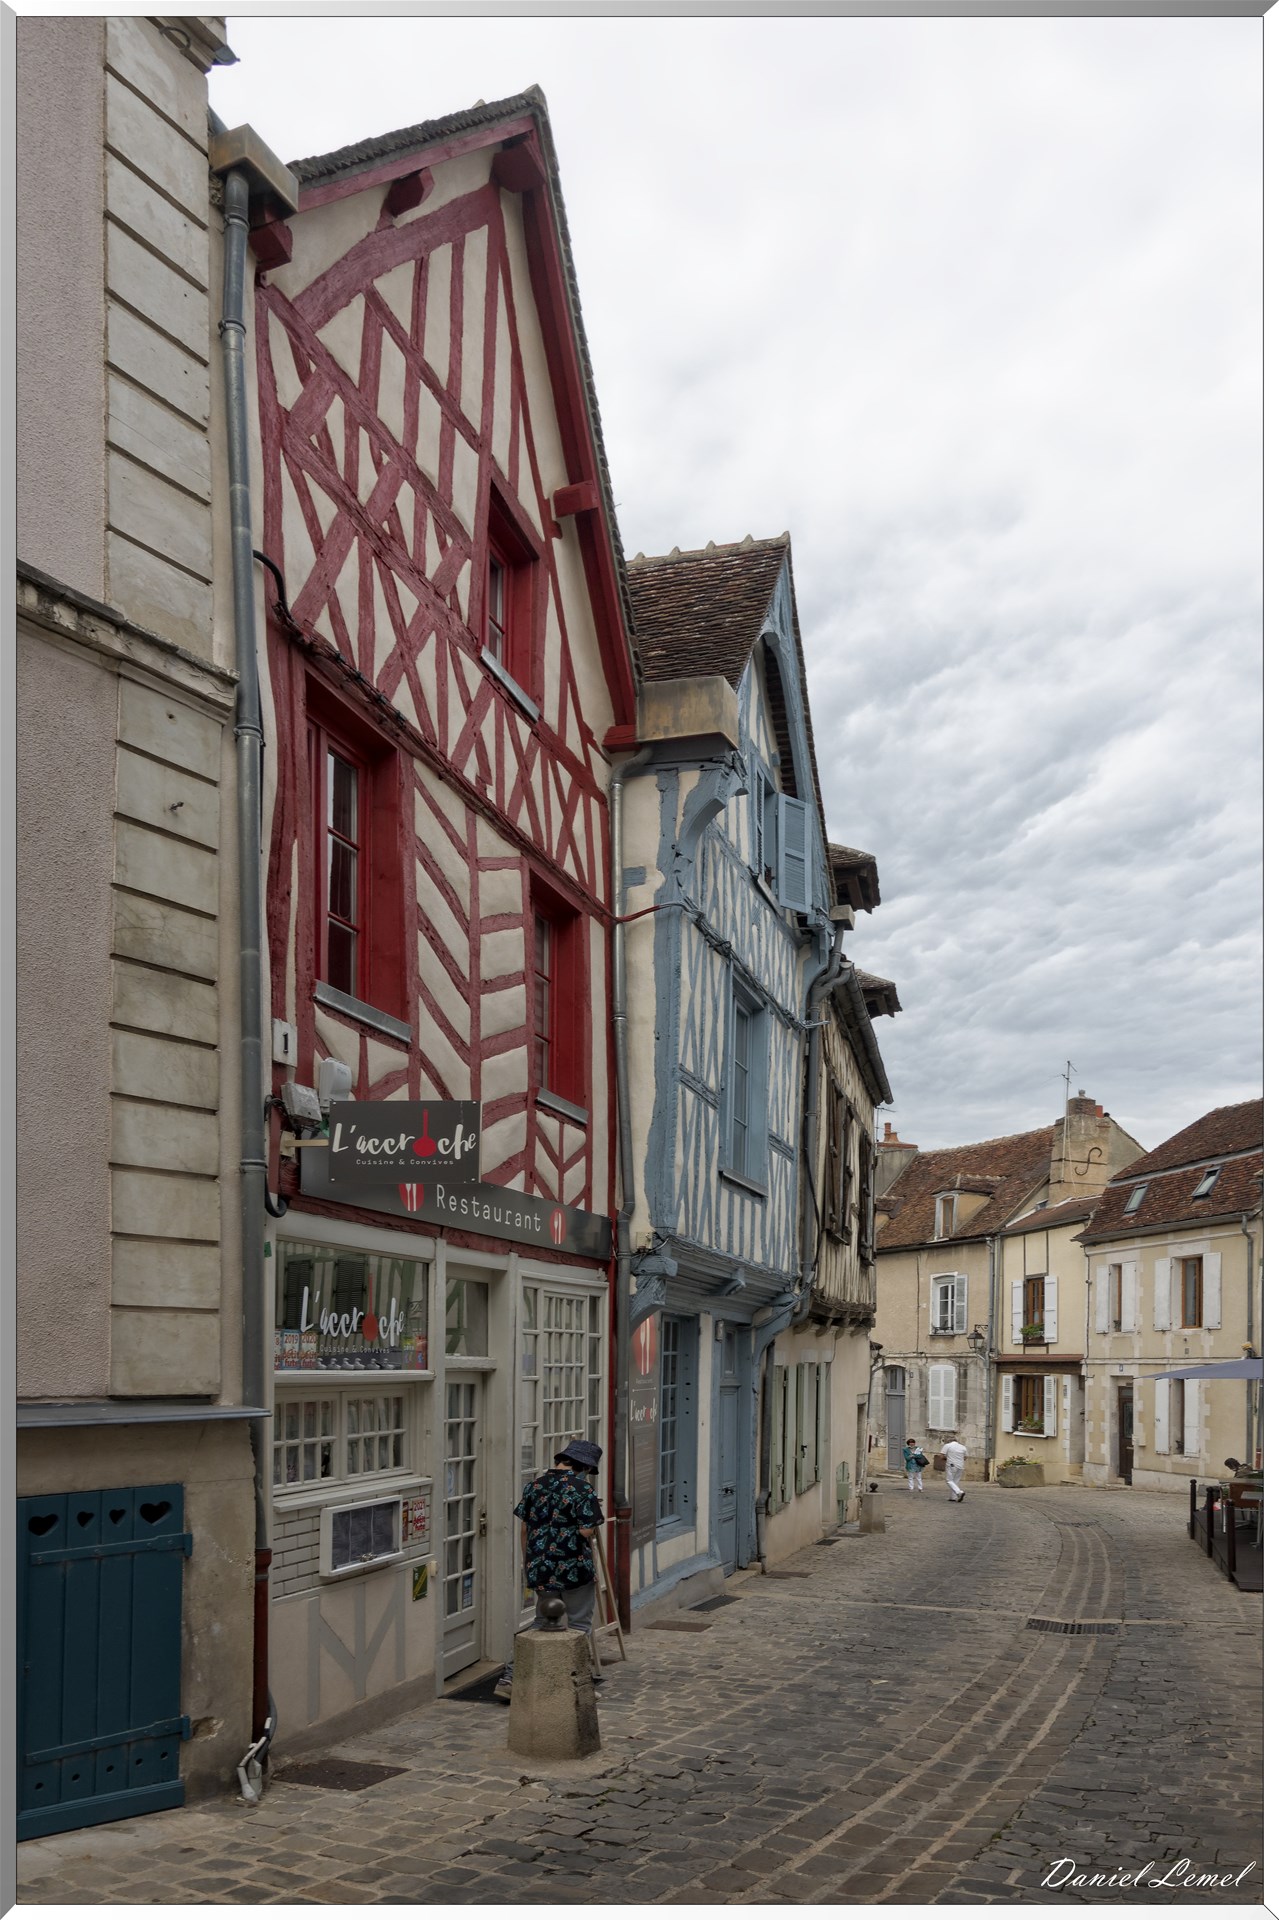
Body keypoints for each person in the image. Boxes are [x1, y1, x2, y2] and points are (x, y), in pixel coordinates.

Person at [493, 1438, 604, 1702]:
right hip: (574, 1566)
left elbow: (524, 1529)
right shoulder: (582, 1490)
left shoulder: (534, 1486)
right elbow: (587, 1530)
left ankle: (509, 1678)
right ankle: (578, 1683)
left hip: (540, 1564)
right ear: (583, 1466)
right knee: (579, 1624)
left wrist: (529, 1562)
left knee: (541, 1621)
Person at [942, 1434, 968, 1502]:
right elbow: (965, 1457)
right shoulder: (963, 1447)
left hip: (951, 1464)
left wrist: (947, 1458)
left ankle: (959, 1492)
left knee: (949, 1480)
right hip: (961, 1465)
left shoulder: (947, 1446)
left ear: (948, 1440)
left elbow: (942, 1456)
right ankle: (953, 1497)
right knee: (955, 1481)